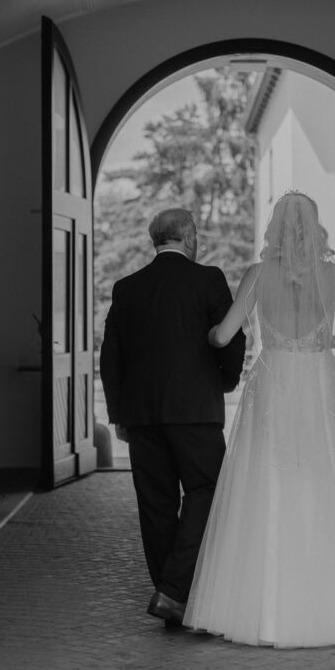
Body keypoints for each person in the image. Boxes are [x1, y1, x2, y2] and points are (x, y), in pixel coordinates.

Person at [183, 192, 335, 648]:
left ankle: (266, 611)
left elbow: (225, 333)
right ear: (316, 227)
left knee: (266, 481)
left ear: (274, 228)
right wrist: (326, 345)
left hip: (275, 381)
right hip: (319, 382)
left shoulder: (258, 275)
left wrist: (205, 333)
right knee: (326, 481)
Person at [100, 207, 246, 626]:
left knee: (156, 504)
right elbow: (231, 338)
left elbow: (111, 357)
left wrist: (118, 413)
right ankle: (174, 590)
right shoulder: (208, 279)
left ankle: (171, 600)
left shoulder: (126, 288)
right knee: (209, 488)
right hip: (195, 410)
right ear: (190, 237)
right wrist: (226, 382)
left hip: (142, 415)